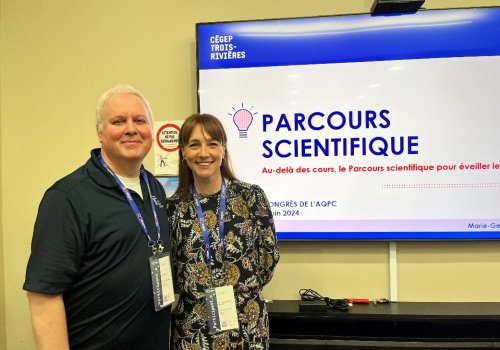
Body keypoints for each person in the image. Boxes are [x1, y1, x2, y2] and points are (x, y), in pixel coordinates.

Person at [23, 84, 173, 350]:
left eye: (140, 120)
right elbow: (43, 297)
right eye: (118, 121)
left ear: (151, 129)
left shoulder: (155, 188)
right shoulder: (67, 198)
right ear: (100, 133)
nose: (131, 128)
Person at [167, 113, 279, 350]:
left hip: (247, 325)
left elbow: (268, 259)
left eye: (212, 144)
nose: (204, 153)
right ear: (183, 153)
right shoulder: (173, 209)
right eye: (194, 144)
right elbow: (172, 269)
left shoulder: (251, 197)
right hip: (193, 328)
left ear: (223, 150)